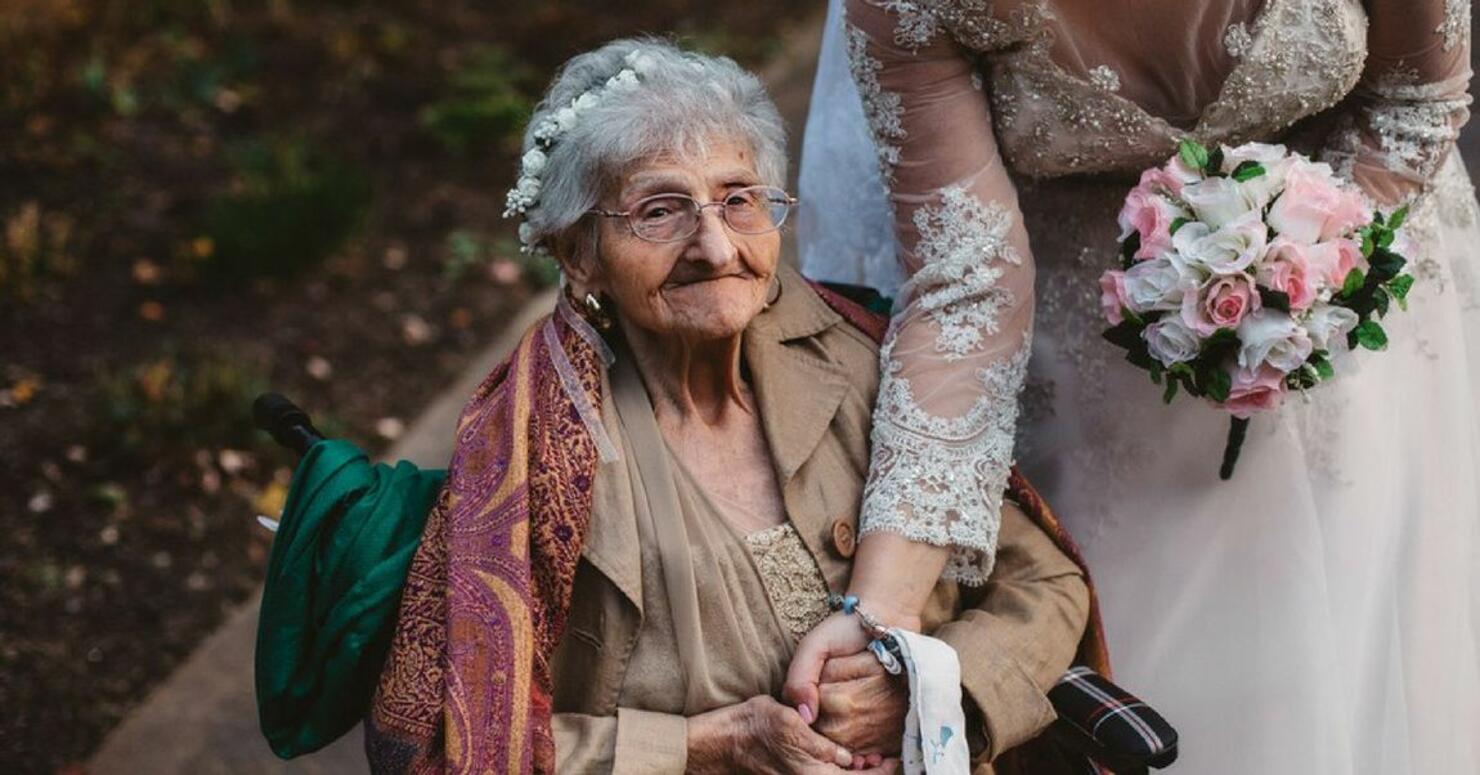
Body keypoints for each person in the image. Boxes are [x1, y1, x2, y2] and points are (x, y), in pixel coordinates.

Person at [360, 39, 1100, 773]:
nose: (715, 248)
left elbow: (1046, 580)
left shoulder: (857, 358)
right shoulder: (529, 451)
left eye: (739, 200)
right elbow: (443, 750)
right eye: (660, 210)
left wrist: (932, 695)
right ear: (579, 252)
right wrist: (708, 744)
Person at [797, 1, 1480, 773]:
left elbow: (1415, 98)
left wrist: (1302, 264)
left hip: (1345, 318)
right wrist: (884, 612)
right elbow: (968, 290)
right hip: (1092, 375)